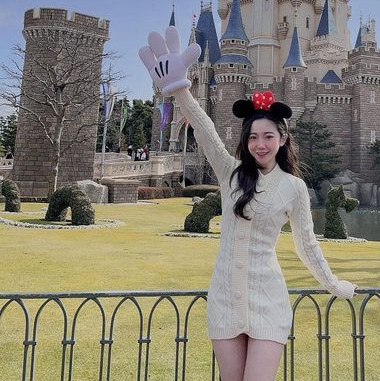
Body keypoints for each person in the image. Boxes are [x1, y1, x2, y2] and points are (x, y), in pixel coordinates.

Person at [139, 26, 357, 381]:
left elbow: (307, 245)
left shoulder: (293, 187)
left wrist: (334, 285)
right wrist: (180, 89)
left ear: (282, 139)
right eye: (253, 137)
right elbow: (206, 131)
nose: (260, 144)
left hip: (268, 300)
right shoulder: (231, 173)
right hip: (225, 299)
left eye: (268, 136)